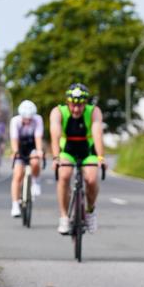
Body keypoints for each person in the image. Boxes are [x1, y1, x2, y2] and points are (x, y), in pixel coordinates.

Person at [50, 83, 106, 235]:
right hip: (67, 149)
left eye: (80, 105)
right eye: (73, 105)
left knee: (92, 179)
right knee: (64, 175)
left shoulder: (94, 111)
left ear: (85, 103)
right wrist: (55, 157)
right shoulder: (58, 112)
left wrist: (100, 157)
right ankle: (64, 217)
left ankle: (90, 211)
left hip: (87, 150)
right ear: (68, 102)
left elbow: (97, 135)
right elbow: (55, 136)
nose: (76, 109)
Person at [9, 101, 45, 217]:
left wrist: (39, 151)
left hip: (32, 145)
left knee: (35, 161)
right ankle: (15, 205)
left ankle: (35, 182)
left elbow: (38, 137)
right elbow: (14, 139)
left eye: (30, 118)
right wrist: (15, 152)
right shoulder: (15, 121)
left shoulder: (38, 119)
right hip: (20, 146)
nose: (28, 121)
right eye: (26, 119)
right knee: (18, 174)